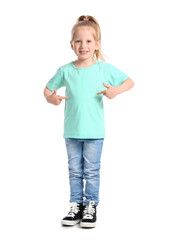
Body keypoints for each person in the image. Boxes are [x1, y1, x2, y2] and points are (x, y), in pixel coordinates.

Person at [43, 15, 134, 228]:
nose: (83, 45)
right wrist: (51, 98)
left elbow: (129, 81)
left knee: (91, 171)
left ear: (97, 44)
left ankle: (91, 205)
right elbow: (48, 89)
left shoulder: (104, 69)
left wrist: (115, 91)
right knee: (74, 170)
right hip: (72, 131)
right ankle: (76, 205)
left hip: (94, 132)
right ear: (71, 44)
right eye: (78, 41)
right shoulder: (66, 70)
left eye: (88, 41)